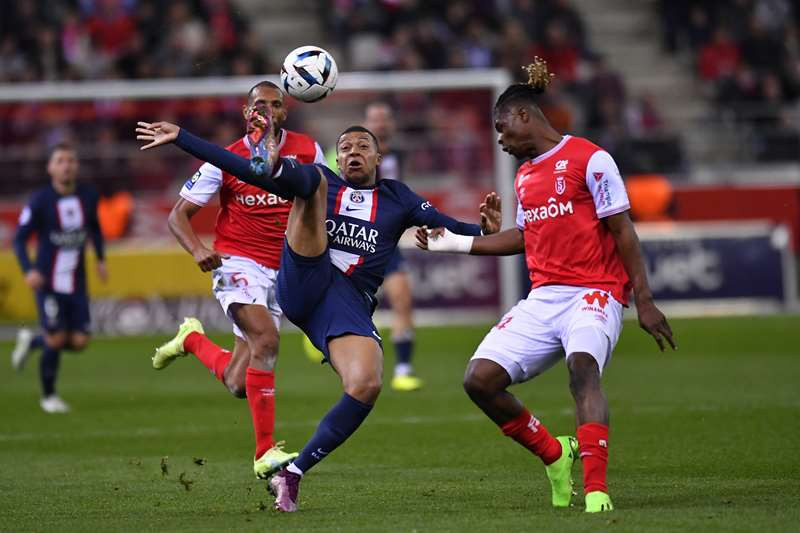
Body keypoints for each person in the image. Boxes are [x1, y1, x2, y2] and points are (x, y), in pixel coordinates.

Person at [135, 114, 501, 512]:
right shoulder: (325, 179)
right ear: (337, 157)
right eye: (345, 148)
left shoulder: (399, 197)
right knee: (310, 184)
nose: (354, 153)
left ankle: (292, 475)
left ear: (379, 158)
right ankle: (276, 166)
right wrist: (185, 138)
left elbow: (446, 227)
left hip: (345, 301)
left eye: (363, 147)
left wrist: (484, 230)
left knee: (366, 384)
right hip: (304, 274)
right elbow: (242, 170)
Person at [416, 59, 676, 513]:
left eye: (501, 128)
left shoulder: (591, 159)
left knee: (582, 368)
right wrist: (453, 243)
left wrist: (645, 299)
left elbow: (623, 230)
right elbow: (523, 236)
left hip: (595, 292)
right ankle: (554, 455)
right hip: (544, 297)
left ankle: (596, 491)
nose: (499, 140)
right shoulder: (525, 176)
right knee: (479, 380)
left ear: (523, 116)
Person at [151, 81, 325, 480]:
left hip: (285, 268)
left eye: (275, 104)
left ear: (284, 112)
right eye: (259, 104)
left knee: (237, 383)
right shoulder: (225, 159)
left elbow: (323, 202)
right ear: (247, 112)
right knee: (266, 340)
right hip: (237, 263)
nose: (267, 109)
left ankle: (191, 340)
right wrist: (197, 250)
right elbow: (177, 216)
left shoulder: (308, 150)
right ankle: (265, 452)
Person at [11, 143, 107, 413]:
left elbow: (95, 229)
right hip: (48, 281)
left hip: (77, 281)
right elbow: (19, 240)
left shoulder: (88, 195)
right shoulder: (40, 200)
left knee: (79, 341)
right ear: (50, 168)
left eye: (71, 160)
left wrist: (100, 259)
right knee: (56, 339)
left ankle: (32, 342)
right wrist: (28, 269)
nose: (66, 165)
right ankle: (49, 397)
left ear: (76, 166)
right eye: (60, 161)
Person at [363, 101, 421, 391]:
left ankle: (403, 369)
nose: (381, 124)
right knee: (353, 307)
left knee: (402, 299)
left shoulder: (398, 155)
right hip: (357, 240)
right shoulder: (352, 152)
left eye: (385, 118)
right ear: (367, 123)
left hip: (386, 242)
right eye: (376, 118)